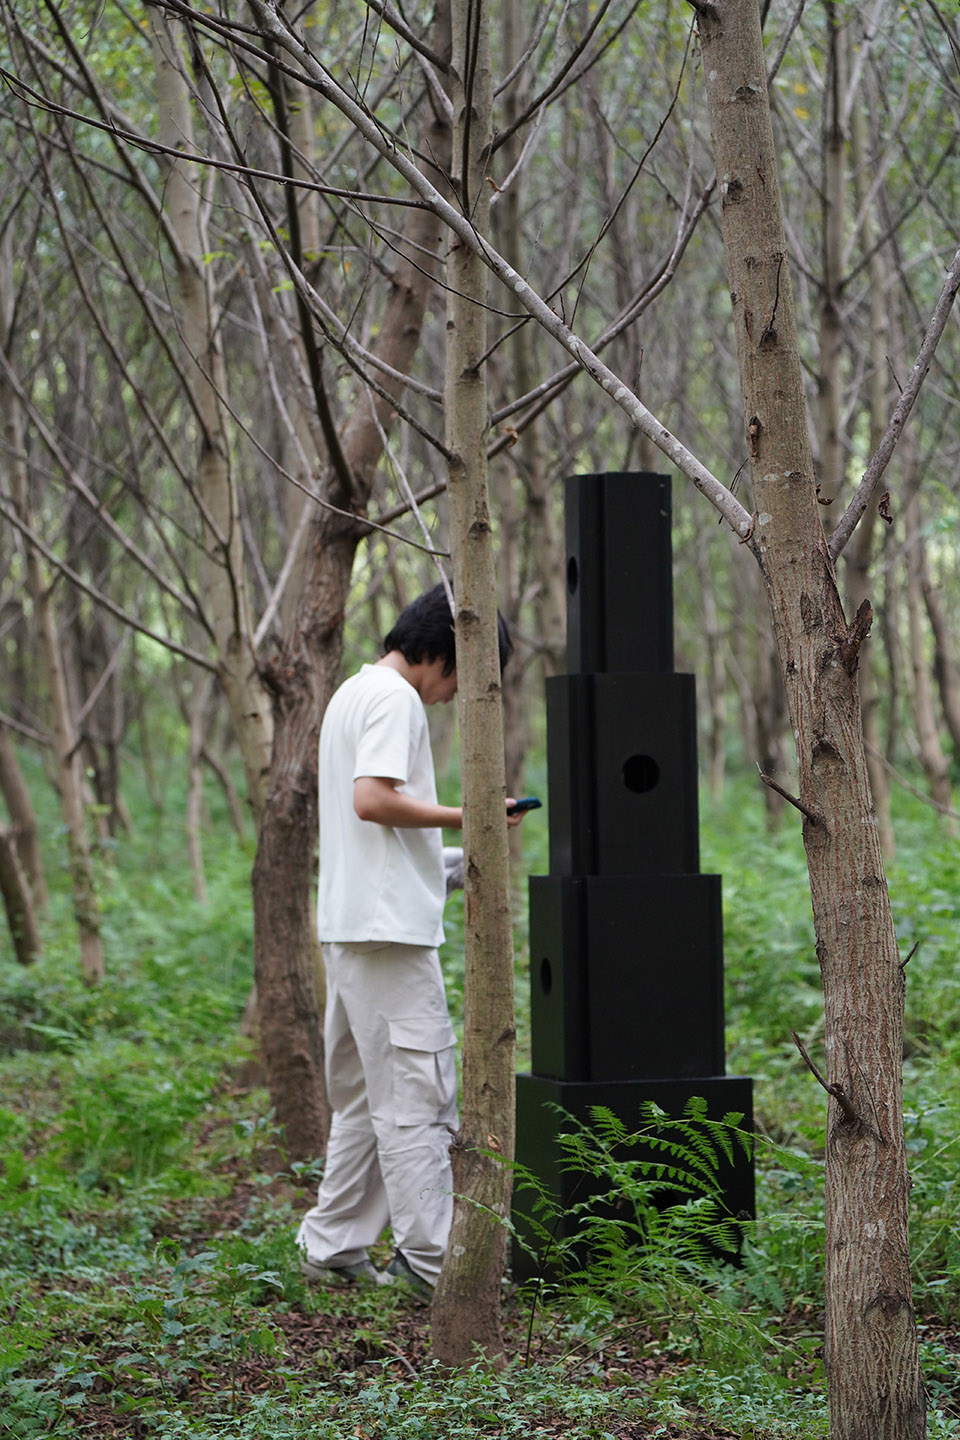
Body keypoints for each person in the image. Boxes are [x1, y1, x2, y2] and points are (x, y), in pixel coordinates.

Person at [296, 582, 523, 1296]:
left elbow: (379, 842)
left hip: (354, 928)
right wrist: (472, 814)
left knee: (367, 1100)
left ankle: (333, 1247)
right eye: (468, 678)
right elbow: (373, 801)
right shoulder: (396, 699)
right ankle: (433, 1266)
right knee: (417, 1102)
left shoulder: (351, 694)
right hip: (386, 940)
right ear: (446, 654)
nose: (457, 698)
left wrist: (459, 859)